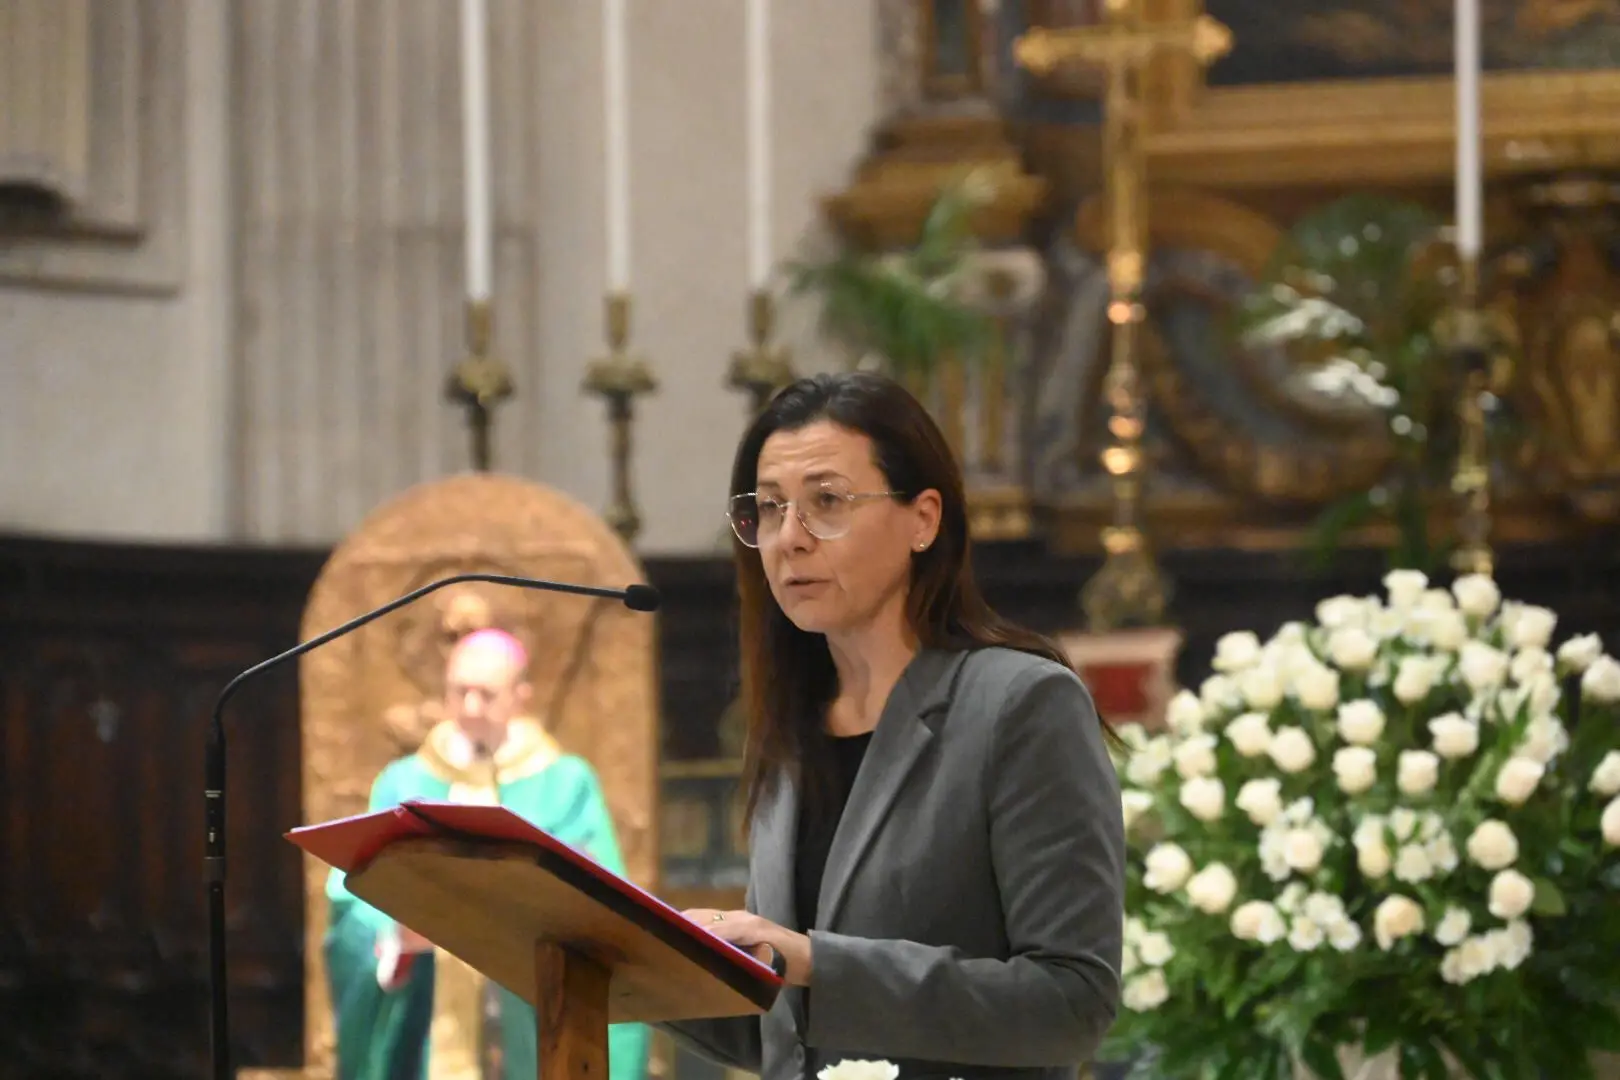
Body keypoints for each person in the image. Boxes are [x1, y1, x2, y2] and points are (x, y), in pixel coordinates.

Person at [662, 371, 1126, 1080]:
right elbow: (790, 1034)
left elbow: (1071, 1004)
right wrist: (637, 962)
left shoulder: (1020, 705)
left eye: (827, 502)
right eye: (771, 508)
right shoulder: (791, 726)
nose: (790, 539)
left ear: (924, 519)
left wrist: (816, 964)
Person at [323, 627, 650, 1080]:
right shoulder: (403, 783)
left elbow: (608, 913)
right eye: (460, 692)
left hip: (530, 1018)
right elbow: (351, 900)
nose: (471, 707)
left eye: (487, 694)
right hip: (425, 1029)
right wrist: (396, 940)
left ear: (520, 697)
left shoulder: (565, 784)